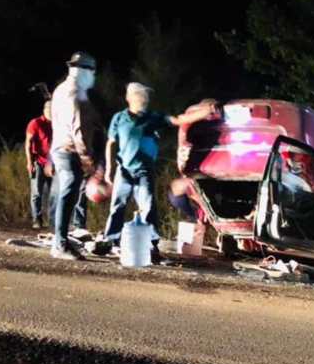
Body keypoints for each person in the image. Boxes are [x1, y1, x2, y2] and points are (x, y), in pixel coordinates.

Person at [102, 83, 210, 263]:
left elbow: (178, 120)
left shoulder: (153, 118)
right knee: (118, 205)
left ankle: (151, 246)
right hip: (124, 170)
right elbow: (111, 143)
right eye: (139, 96)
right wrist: (109, 169)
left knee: (148, 207)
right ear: (129, 98)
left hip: (144, 170)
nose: (143, 100)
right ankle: (112, 241)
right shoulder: (119, 118)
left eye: (145, 97)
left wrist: (203, 113)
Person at [49, 51, 101, 260]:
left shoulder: (60, 89)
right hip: (69, 150)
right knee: (68, 194)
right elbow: (78, 128)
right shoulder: (75, 93)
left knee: (65, 194)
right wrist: (86, 157)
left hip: (59, 147)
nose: (93, 78)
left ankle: (61, 238)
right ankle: (60, 244)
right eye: (92, 73)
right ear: (85, 72)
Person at [24, 100, 54, 229]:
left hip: (53, 164)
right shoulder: (35, 123)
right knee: (37, 192)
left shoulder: (57, 124)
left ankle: (53, 220)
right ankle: (37, 219)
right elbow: (28, 143)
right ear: (45, 110)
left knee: (54, 193)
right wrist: (29, 162)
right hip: (39, 162)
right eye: (51, 110)